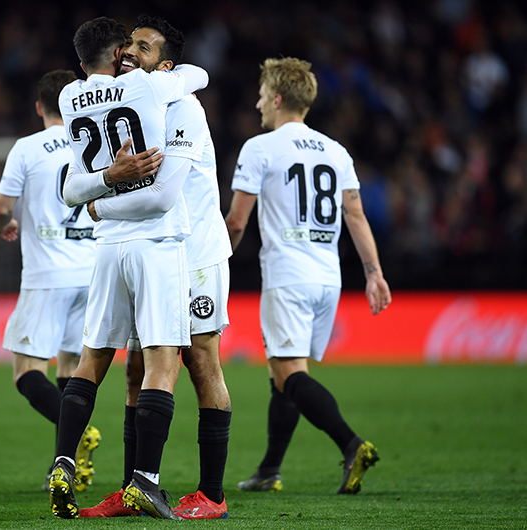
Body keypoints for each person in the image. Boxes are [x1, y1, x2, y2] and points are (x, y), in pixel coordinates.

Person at [48, 17, 208, 520]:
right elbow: (196, 75)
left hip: (106, 248)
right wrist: (118, 178)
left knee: (92, 360)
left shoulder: (70, 99)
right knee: (162, 363)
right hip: (155, 244)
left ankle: (62, 461)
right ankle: (145, 480)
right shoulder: (148, 86)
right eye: (129, 47)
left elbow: (72, 191)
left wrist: (104, 186)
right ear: (119, 52)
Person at [224, 57, 391, 495]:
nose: (259, 103)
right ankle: (268, 470)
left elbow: (237, 223)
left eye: (262, 95)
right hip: (327, 276)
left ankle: (351, 444)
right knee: (283, 376)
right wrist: (373, 273)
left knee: (289, 372)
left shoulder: (260, 148)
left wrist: (211, 263)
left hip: (288, 275)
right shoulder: (336, 151)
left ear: (277, 99)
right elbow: (354, 213)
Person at [0, 69, 103, 493]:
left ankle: (77, 433)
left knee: (26, 372)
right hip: (92, 274)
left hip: (47, 276)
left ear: (39, 107)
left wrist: (3, 223)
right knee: (72, 369)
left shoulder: (28, 148)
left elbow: (3, 205)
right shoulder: (95, 143)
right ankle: (66, 464)